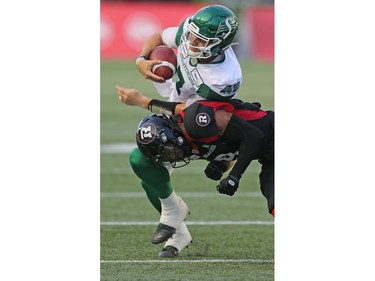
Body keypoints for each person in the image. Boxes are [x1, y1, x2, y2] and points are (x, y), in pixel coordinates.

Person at [116, 85, 274, 258]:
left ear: (173, 133)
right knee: (144, 168)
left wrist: (234, 176)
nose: (172, 157)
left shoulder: (197, 121)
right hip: (268, 157)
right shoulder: (187, 143)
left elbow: (253, 136)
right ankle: (177, 229)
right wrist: (222, 165)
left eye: (169, 150)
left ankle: (173, 213)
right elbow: (229, 148)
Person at [135, 4, 242, 106]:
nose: (192, 42)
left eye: (201, 40)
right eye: (192, 34)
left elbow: (193, 113)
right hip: (178, 102)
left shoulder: (222, 80)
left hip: (195, 118)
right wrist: (141, 59)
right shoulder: (190, 31)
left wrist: (144, 102)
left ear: (219, 45)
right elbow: (159, 37)